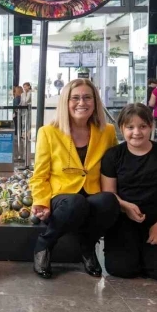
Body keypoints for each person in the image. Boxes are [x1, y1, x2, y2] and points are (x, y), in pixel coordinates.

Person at [29, 78, 120, 279]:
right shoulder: (48, 132)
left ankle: (87, 246)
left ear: (95, 102)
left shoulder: (107, 132)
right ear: (66, 102)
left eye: (87, 97)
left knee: (108, 201)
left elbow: (115, 167)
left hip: (93, 193)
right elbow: (40, 175)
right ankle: (44, 244)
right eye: (75, 98)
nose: (82, 103)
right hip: (62, 198)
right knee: (75, 202)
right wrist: (41, 202)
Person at [101, 104, 157, 281]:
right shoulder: (113, 155)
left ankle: (148, 253)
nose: (137, 132)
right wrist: (125, 206)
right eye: (130, 127)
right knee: (121, 269)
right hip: (123, 219)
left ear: (151, 126)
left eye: (143, 126)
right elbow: (108, 193)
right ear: (121, 128)